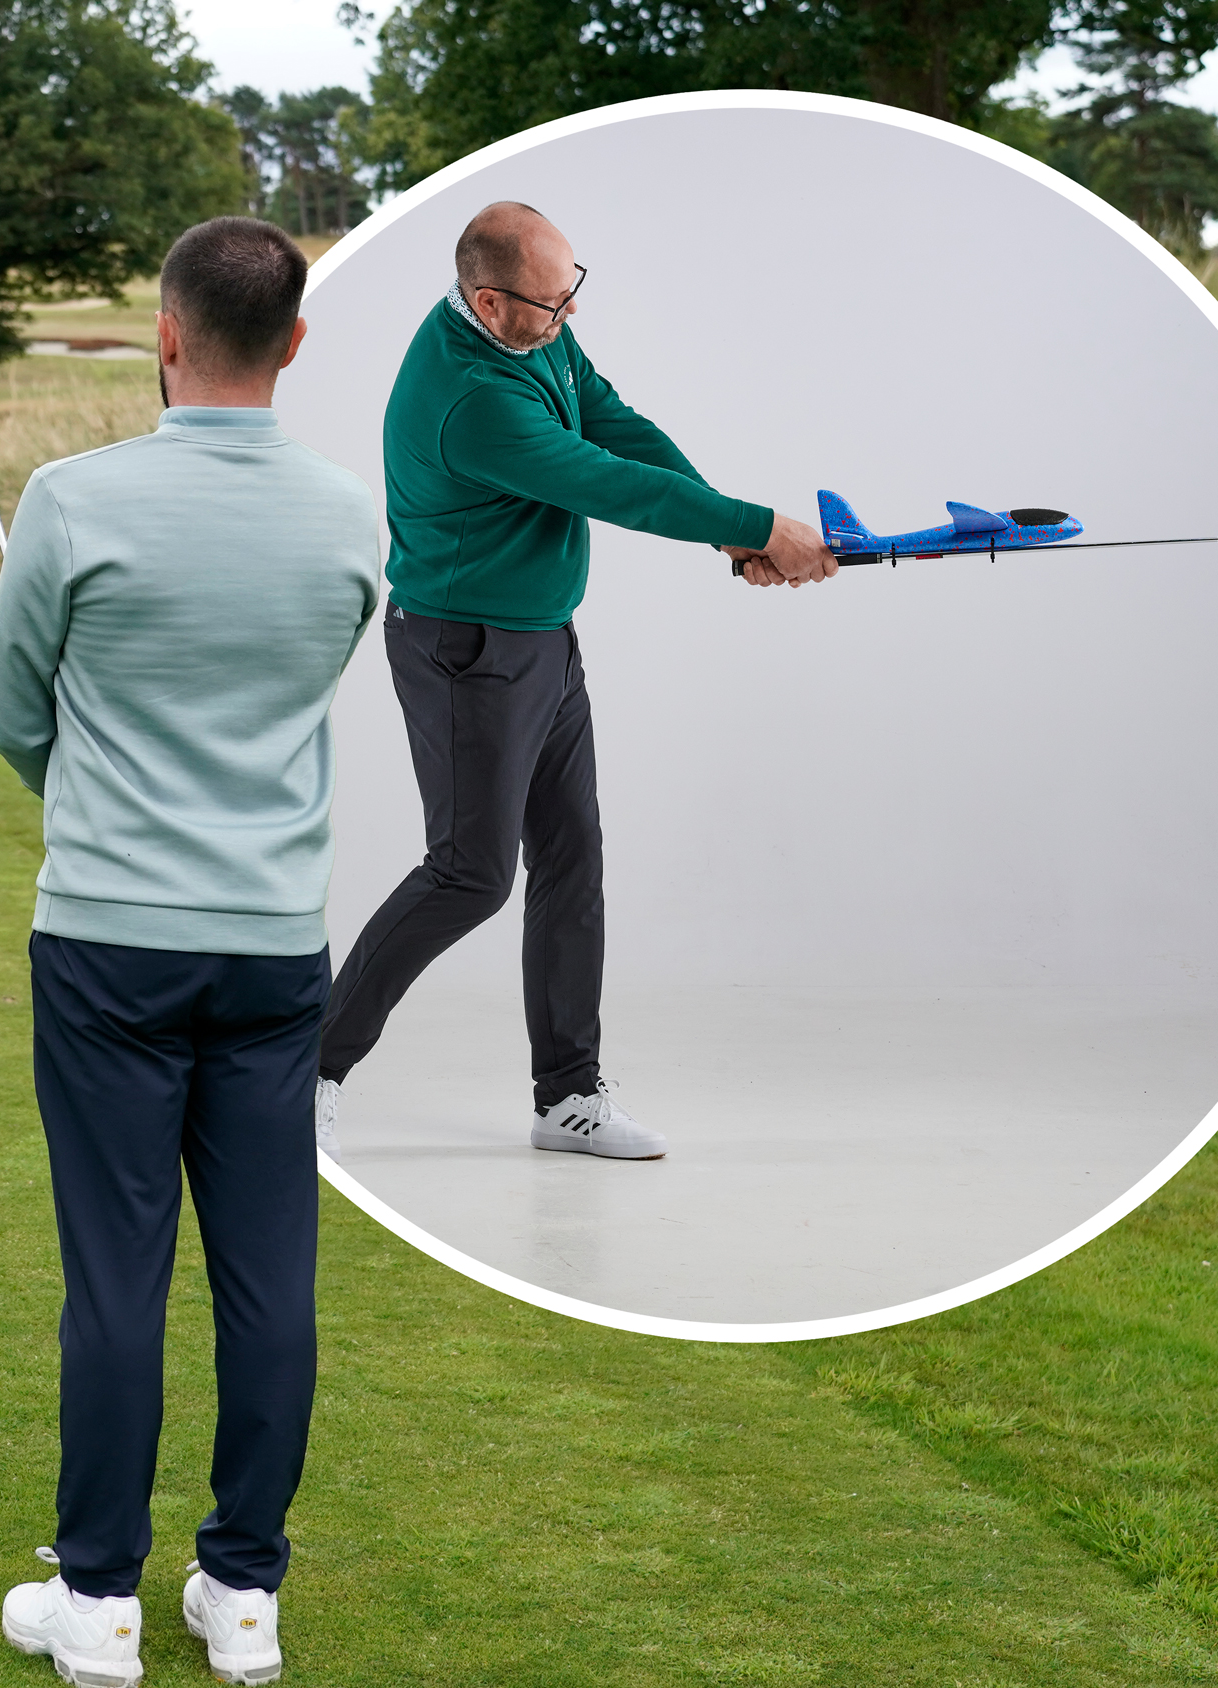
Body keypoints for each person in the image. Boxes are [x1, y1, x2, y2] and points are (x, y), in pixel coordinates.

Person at [0, 216, 382, 1688]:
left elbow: (16, 717)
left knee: (117, 1278)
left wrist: (99, 795)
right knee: (271, 1276)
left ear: (165, 333)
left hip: (106, 944)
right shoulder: (349, 516)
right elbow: (302, 682)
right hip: (275, 949)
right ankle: (244, 1595)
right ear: (292, 342)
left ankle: (98, 1607)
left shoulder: (70, 502)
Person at [310, 202, 836, 1167]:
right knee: (470, 876)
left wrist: (730, 528)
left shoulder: (536, 338)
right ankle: (306, 1072)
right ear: (487, 302)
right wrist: (762, 526)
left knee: (572, 859)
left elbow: (614, 424)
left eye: (572, 294)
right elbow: (606, 483)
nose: (568, 320)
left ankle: (569, 1097)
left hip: (542, 637)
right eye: (551, 306)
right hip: (466, 650)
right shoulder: (474, 401)